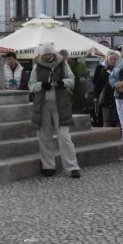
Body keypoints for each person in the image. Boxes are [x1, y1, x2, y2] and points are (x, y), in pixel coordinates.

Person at [28, 42, 80, 178]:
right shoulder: (36, 67)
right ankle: (48, 165)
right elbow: (31, 85)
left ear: (54, 53)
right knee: (44, 136)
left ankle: (72, 166)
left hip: (60, 104)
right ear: (41, 55)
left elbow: (71, 79)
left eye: (49, 54)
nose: (47, 56)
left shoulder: (63, 64)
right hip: (43, 104)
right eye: (45, 54)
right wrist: (41, 85)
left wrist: (63, 83)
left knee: (64, 136)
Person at [93, 50, 120, 128]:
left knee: (118, 120)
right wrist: (96, 97)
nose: (113, 61)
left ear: (118, 60)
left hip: (118, 98)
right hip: (106, 98)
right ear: (107, 60)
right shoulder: (103, 70)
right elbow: (98, 85)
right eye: (111, 59)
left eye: (115, 59)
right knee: (106, 120)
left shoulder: (121, 70)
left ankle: (119, 138)